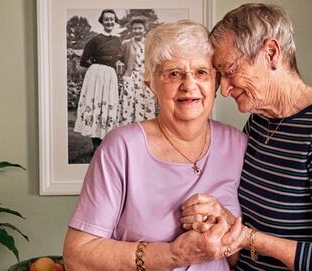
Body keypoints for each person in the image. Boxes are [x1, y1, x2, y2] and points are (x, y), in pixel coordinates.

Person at [180, 3, 312, 271]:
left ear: (271, 53)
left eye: (229, 71)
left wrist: (247, 238)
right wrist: (222, 219)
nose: (224, 90)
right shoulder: (261, 121)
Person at [63, 20, 248, 271]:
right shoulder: (121, 148)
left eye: (201, 72)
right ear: (151, 84)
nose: (189, 85)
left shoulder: (238, 144)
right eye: (174, 73)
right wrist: (174, 255)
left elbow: (238, 259)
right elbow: (77, 256)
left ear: (215, 83)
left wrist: (223, 224)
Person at [73, 9, 122, 152]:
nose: (109, 22)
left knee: (107, 107)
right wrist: (96, 67)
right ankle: (95, 144)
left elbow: (120, 57)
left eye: (112, 19)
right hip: (96, 76)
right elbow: (83, 61)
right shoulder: (94, 40)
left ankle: (105, 143)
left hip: (110, 76)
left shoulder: (117, 40)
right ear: (102, 21)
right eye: (106, 19)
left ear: (115, 21)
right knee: (95, 106)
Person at [118, 16, 158, 126]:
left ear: (145, 30)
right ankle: (129, 133)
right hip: (130, 78)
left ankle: (146, 132)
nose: (137, 31)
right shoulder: (126, 43)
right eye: (135, 28)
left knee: (147, 105)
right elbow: (120, 58)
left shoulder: (150, 44)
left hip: (145, 78)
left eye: (140, 28)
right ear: (131, 30)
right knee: (128, 106)